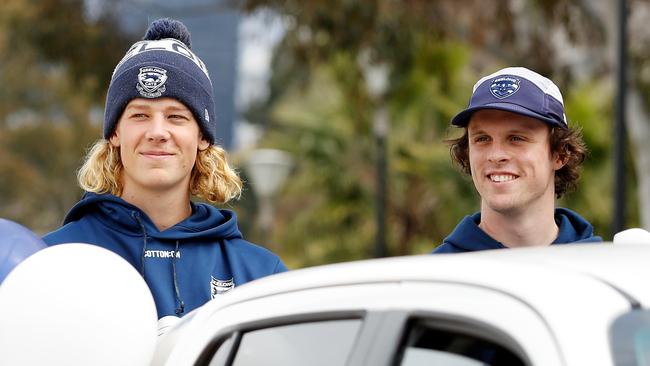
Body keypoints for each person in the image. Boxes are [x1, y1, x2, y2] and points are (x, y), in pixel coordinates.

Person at [44, 18, 287, 318]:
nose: (157, 132)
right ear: (114, 133)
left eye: (176, 117)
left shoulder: (260, 275)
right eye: (140, 115)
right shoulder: (52, 261)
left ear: (202, 137)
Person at [434, 67, 602, 253]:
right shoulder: (436, 275)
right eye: (482, 139)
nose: (496, 155)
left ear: (560, 154)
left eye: (517, 138)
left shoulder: (603, 267)